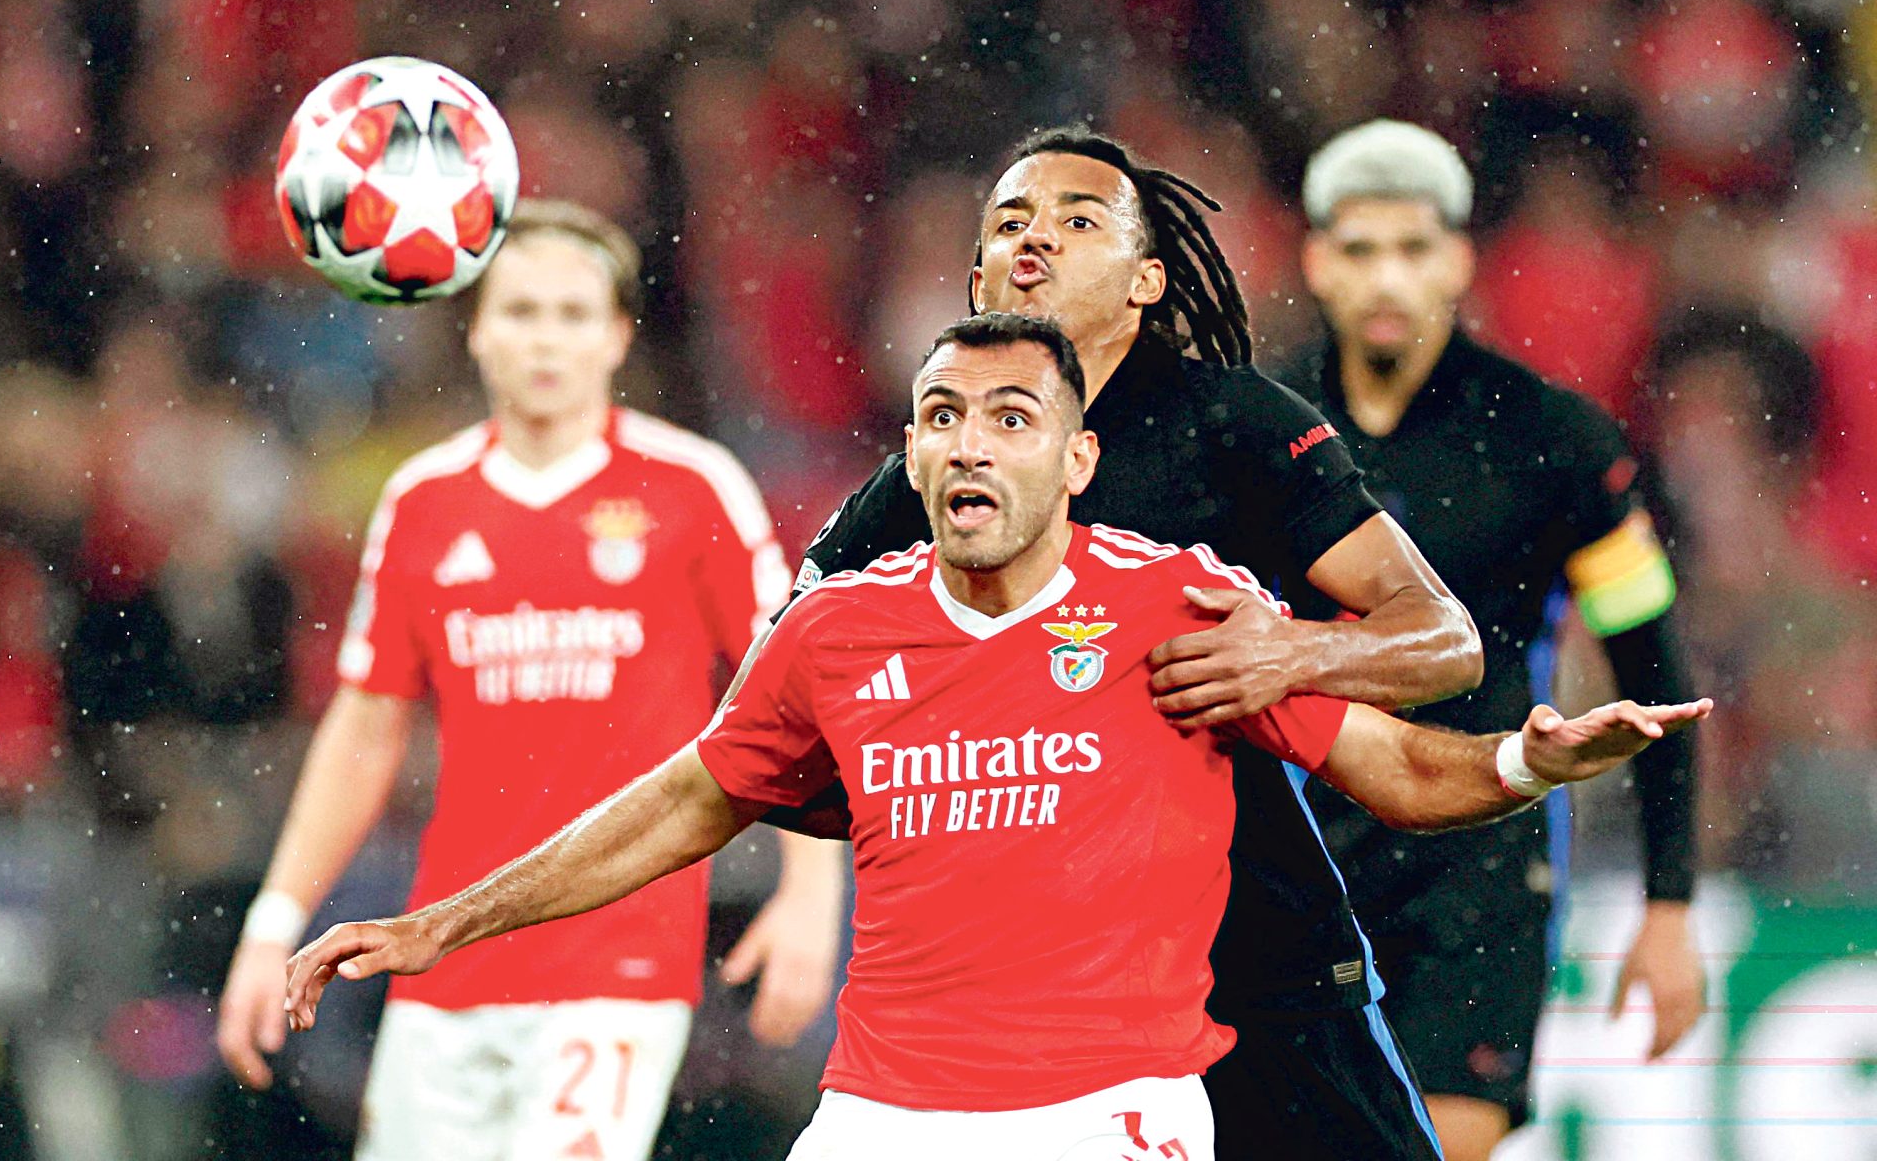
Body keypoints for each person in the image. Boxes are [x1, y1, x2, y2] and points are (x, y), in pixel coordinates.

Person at [279, 314, 1708, 1161]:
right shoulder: (836, 632)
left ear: (1073, 460)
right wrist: (440, 927)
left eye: (1010, 418)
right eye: (942, 417)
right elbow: (680, 803)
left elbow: (1395, 767)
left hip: (1109, 1116)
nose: (970, 443)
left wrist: (1530, 759)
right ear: (911, 454)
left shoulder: (1180, 604)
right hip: (884, 1120)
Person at [779, 127, 1481, 1159]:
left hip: (1265, 957)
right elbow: (779, 720)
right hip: (1044, 1005)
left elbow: (1442, 636)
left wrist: (1289, 652)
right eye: (1010, 223)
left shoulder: (1234, 424)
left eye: (1076, 220)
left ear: (1147, 277)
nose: (1036, 239)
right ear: (975, 280)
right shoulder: (925, 481)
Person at [213, 200, 846, 1161]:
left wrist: (811, 893)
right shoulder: (423, 501)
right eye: (519, 311)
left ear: (618, 336)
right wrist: (274, 923)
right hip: (441, 948)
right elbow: (365, 727)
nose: (545, 338)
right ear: (474, 331)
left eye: (573, 313)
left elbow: (790, 694)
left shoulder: (691, 486)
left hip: (619, 955)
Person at [1281, 120, 1704, 1161]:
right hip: (1292, 856)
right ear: (1318, 262)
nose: (1390, 275)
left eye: (1416, 248)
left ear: (1462, 261)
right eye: (1363, 248)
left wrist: (1669, 905)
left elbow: (1656, 671)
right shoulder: (1252, 427)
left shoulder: (1557, 442)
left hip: (1480, 859)